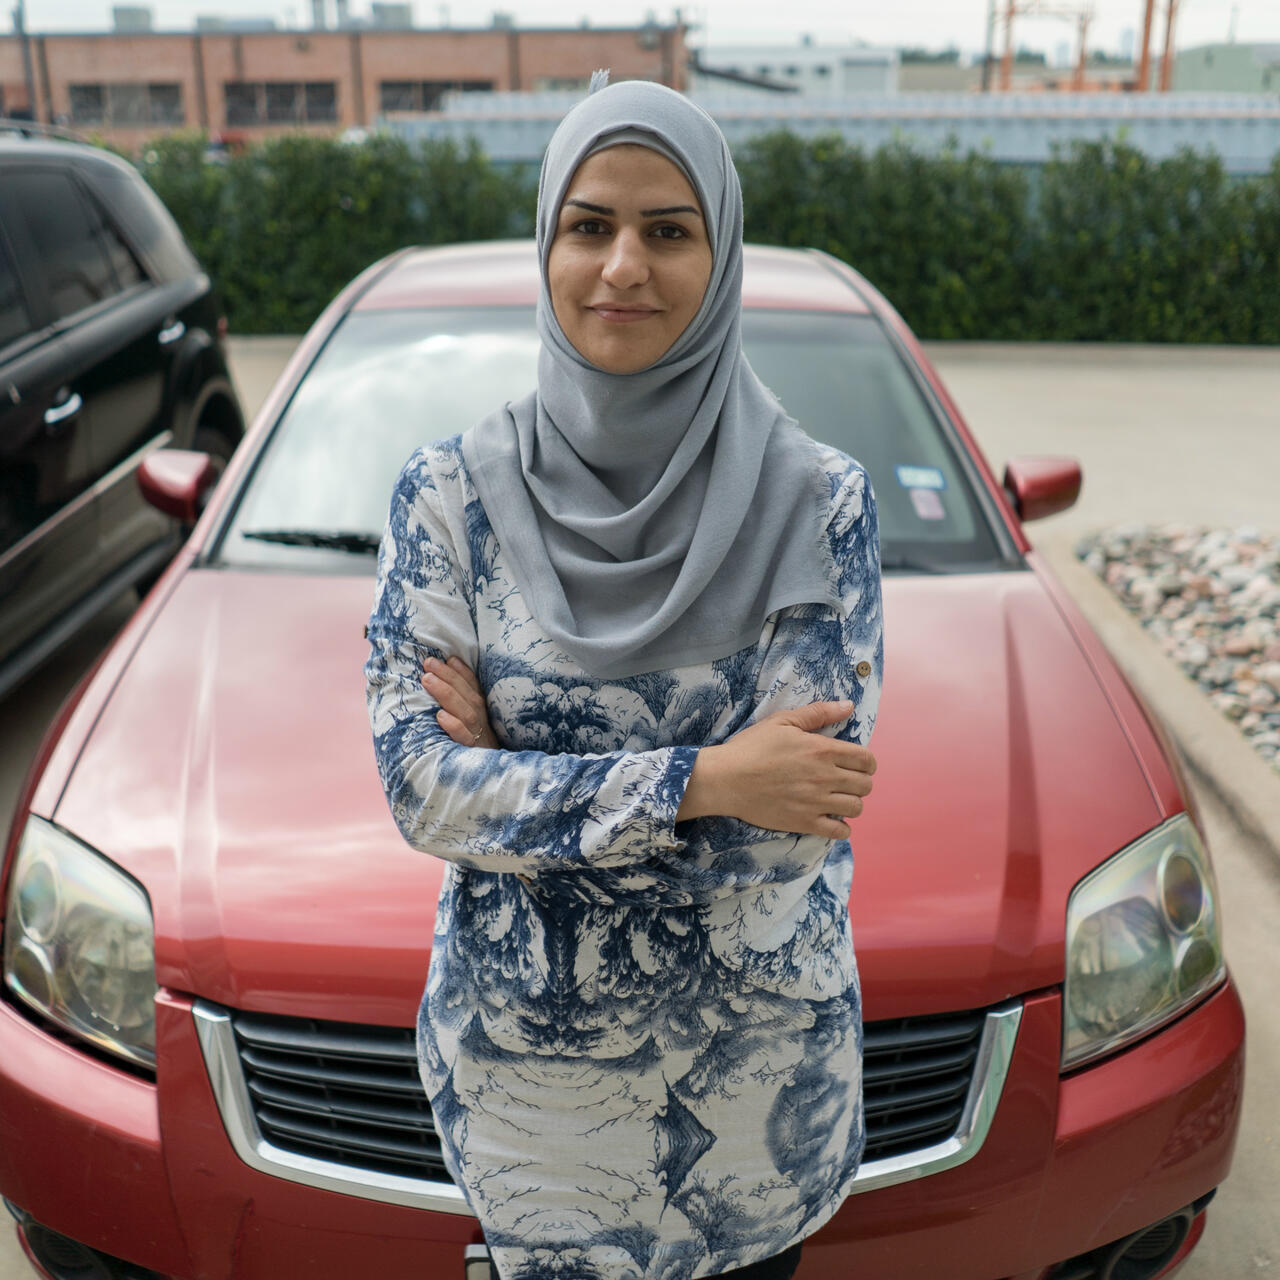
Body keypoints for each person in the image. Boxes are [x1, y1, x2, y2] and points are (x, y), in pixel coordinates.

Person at [365, 77, 883, 1280]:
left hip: (754, 1128)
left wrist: (517, 769)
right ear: (546, 242)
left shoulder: (820, 502)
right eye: (588, 225)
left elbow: (785, 837)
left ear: (721, 252)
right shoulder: (448, 494)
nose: (621, 267)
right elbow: (421, 792)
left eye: (667, 230)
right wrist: (710, 772)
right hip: (533, 1134)